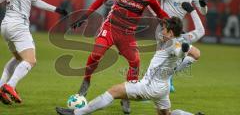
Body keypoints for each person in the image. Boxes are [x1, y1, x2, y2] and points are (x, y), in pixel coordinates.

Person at [71, 0, 169, 114]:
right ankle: (86, 81)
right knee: (97, 54)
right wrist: (85, 16)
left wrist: (174, 25)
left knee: (135, 62)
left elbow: (161, 14)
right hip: (110, 28)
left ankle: (127, 95)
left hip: (127, 35)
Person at [55, 16, 204, 115]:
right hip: (163, 88)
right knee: (167, 114)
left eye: (164, 29)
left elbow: (177, 50)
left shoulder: (173, 44)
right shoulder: (177, 42)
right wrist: (184, 57)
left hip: (149, 86)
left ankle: (76, 113)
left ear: (170, 32)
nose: (161, 31)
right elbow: (196, 54)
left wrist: (181, 52)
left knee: (113, 91)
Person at [0, 0, 68, 105]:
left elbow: (35, 1)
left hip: (7, 26)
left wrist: (56, 9)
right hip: (18, 25)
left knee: (18, 59)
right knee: (30, 60)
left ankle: (1, 86)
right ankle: (9, 86)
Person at [154, 0, 206, 92]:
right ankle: (147, 88)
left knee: (195, 54)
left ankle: (167, 77)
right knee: (159, 63)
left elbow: (203, 12)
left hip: (178, 32)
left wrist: (203, 6)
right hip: (165, 31)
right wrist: (158, 15)